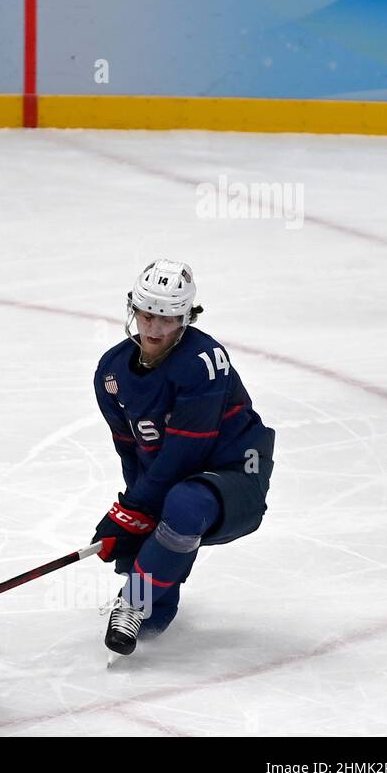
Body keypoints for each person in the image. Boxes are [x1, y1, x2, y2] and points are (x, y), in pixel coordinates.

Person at [92, 259, 275, 656]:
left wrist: (137, 507)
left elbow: (187, 450)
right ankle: (150, 612)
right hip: (177, 477)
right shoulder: (110, 372)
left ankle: (132, 603)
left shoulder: (204, 362)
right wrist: (131, 512)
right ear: (132, 310)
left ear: (187, 317)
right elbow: (131, 450)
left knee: (184, 505)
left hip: (236, 472)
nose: (155, 329)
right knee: (141, 554)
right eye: (147, 315)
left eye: (169, 318)